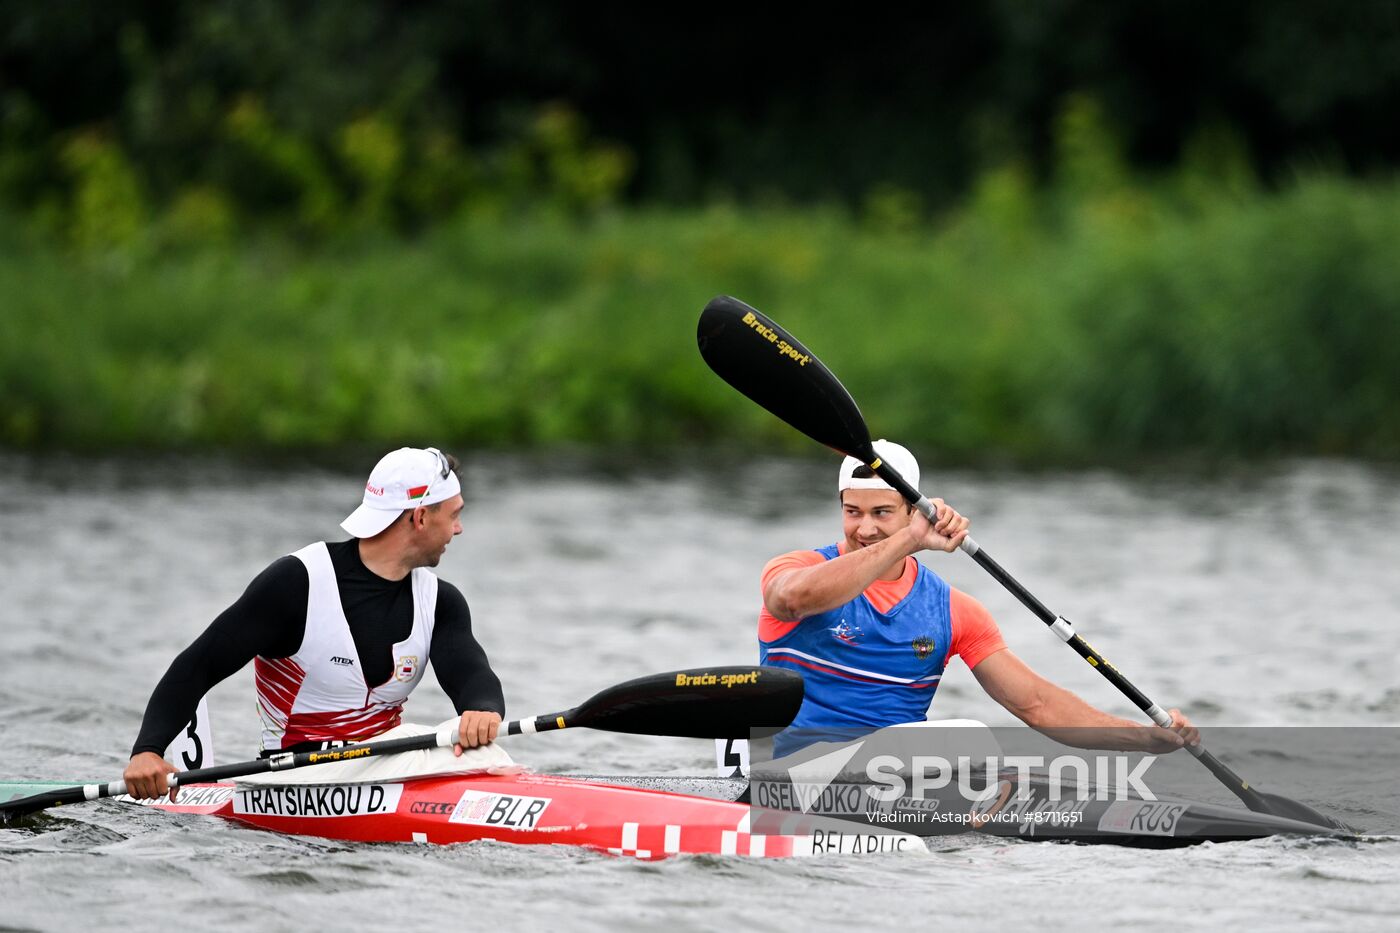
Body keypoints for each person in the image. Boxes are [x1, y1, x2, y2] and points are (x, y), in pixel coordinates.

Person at [759, 439, 1199, 757]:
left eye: (882, 513)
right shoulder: (793, 570)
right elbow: (792, 601)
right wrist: (909, 541)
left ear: (913, 512)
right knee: (968, 738)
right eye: (852, 512)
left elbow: (1036, 704)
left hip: (895, 782)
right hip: (792, 770)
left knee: (985, 752)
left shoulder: (953, 611)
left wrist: (1141, 738)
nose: (865, 528)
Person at [124, 446, 505, 800]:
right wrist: (147, 751)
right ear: (420, 517)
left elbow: (470, 672)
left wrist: (482, 710)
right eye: (454, 515)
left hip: (383, 768)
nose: (459, 529)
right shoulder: (298, 583)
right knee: (436, 743)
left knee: (483, 750)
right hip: (294, 777)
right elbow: (199, 665)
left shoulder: (441, 601)